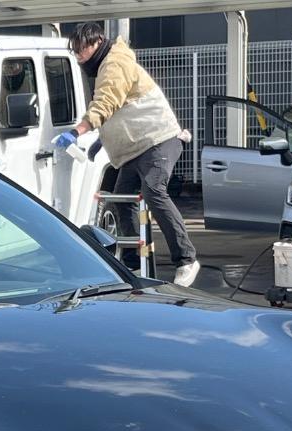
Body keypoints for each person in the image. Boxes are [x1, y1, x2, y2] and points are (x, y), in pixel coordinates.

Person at [54, 22, 200, 287]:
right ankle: (133, 262)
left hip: (159, 139)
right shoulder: (106, 65)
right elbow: (122, 107)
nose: (79, 56)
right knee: (122, 198)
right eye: (75, 51)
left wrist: (77, 132)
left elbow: (106, 103)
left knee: (154, 190)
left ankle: (186, 260)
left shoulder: (114, 63)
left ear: (97, 42)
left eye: (81, 49)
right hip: (136, 148)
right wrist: (101, 138)